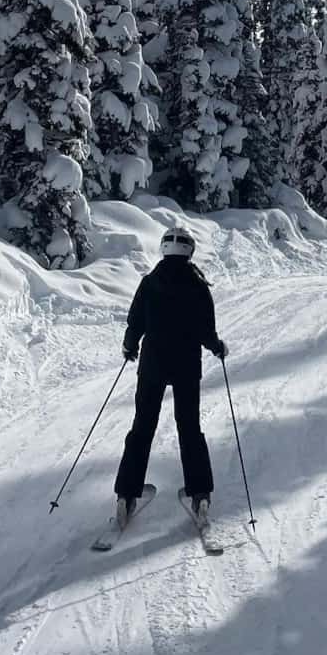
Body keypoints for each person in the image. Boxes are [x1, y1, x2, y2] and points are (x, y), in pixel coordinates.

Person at [114, 226, 227, 527]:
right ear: (189, 250)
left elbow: (135, 322)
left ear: (164, 248)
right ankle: (200, 494)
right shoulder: (198, 285)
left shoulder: (149, 282)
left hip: (152, 365)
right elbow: (206, 331)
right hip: (186, 366)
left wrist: (129, 347)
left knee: (142, 427)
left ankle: (126, 495)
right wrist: (218, 348)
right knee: (189, 428)